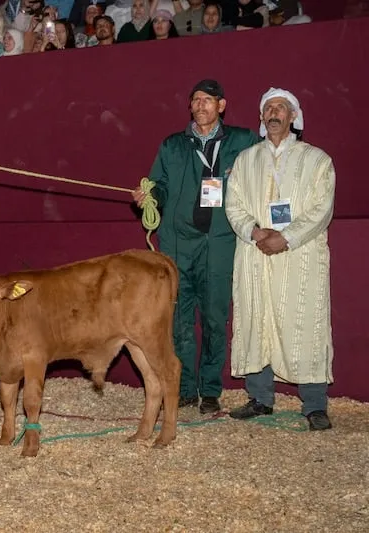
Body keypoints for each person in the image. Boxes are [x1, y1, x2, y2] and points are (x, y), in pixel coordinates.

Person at [132, 79, 261, 414]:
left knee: (216, 319)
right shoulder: (173, 145)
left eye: (208, 99)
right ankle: (185, 388)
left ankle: (211, 390)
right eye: (196, 100)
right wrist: (149, 196)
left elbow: (268, 168)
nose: (201, 105)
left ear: (222, 105)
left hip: (220, 243)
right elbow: (159, 185)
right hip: (178, 244)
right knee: (179, 319)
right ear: (190, 106)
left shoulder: (243, 141)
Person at [224, 88, 335, 431]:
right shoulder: (246, 160)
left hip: (300, 258)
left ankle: (314, 405)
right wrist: (256, 232)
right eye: (268, 108)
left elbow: (322, 208)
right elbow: (233, 204)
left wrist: (286, 237)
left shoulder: (317, 160)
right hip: (255, 254)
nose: (274, 112)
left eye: (281, 108)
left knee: (305, 324)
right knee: (257, 321)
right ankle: (260, 398)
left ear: (293, 116)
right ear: (261, 117)